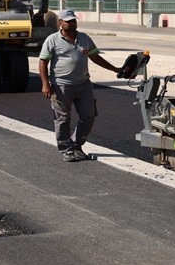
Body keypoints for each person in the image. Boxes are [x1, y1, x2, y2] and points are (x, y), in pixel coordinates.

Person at [39, 9, 121, 162]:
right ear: (60, 23)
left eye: (73, 20)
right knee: (62, 119)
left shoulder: (84, 38)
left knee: (88, 116)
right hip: (61, 86)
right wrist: (45, 85)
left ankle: (77, 145)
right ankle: (66, 149)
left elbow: (95, 57)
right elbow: (43, 62)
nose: (72, 23)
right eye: (68, 21)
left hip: (84, 85)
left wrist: (115, 69)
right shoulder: (52, 40)